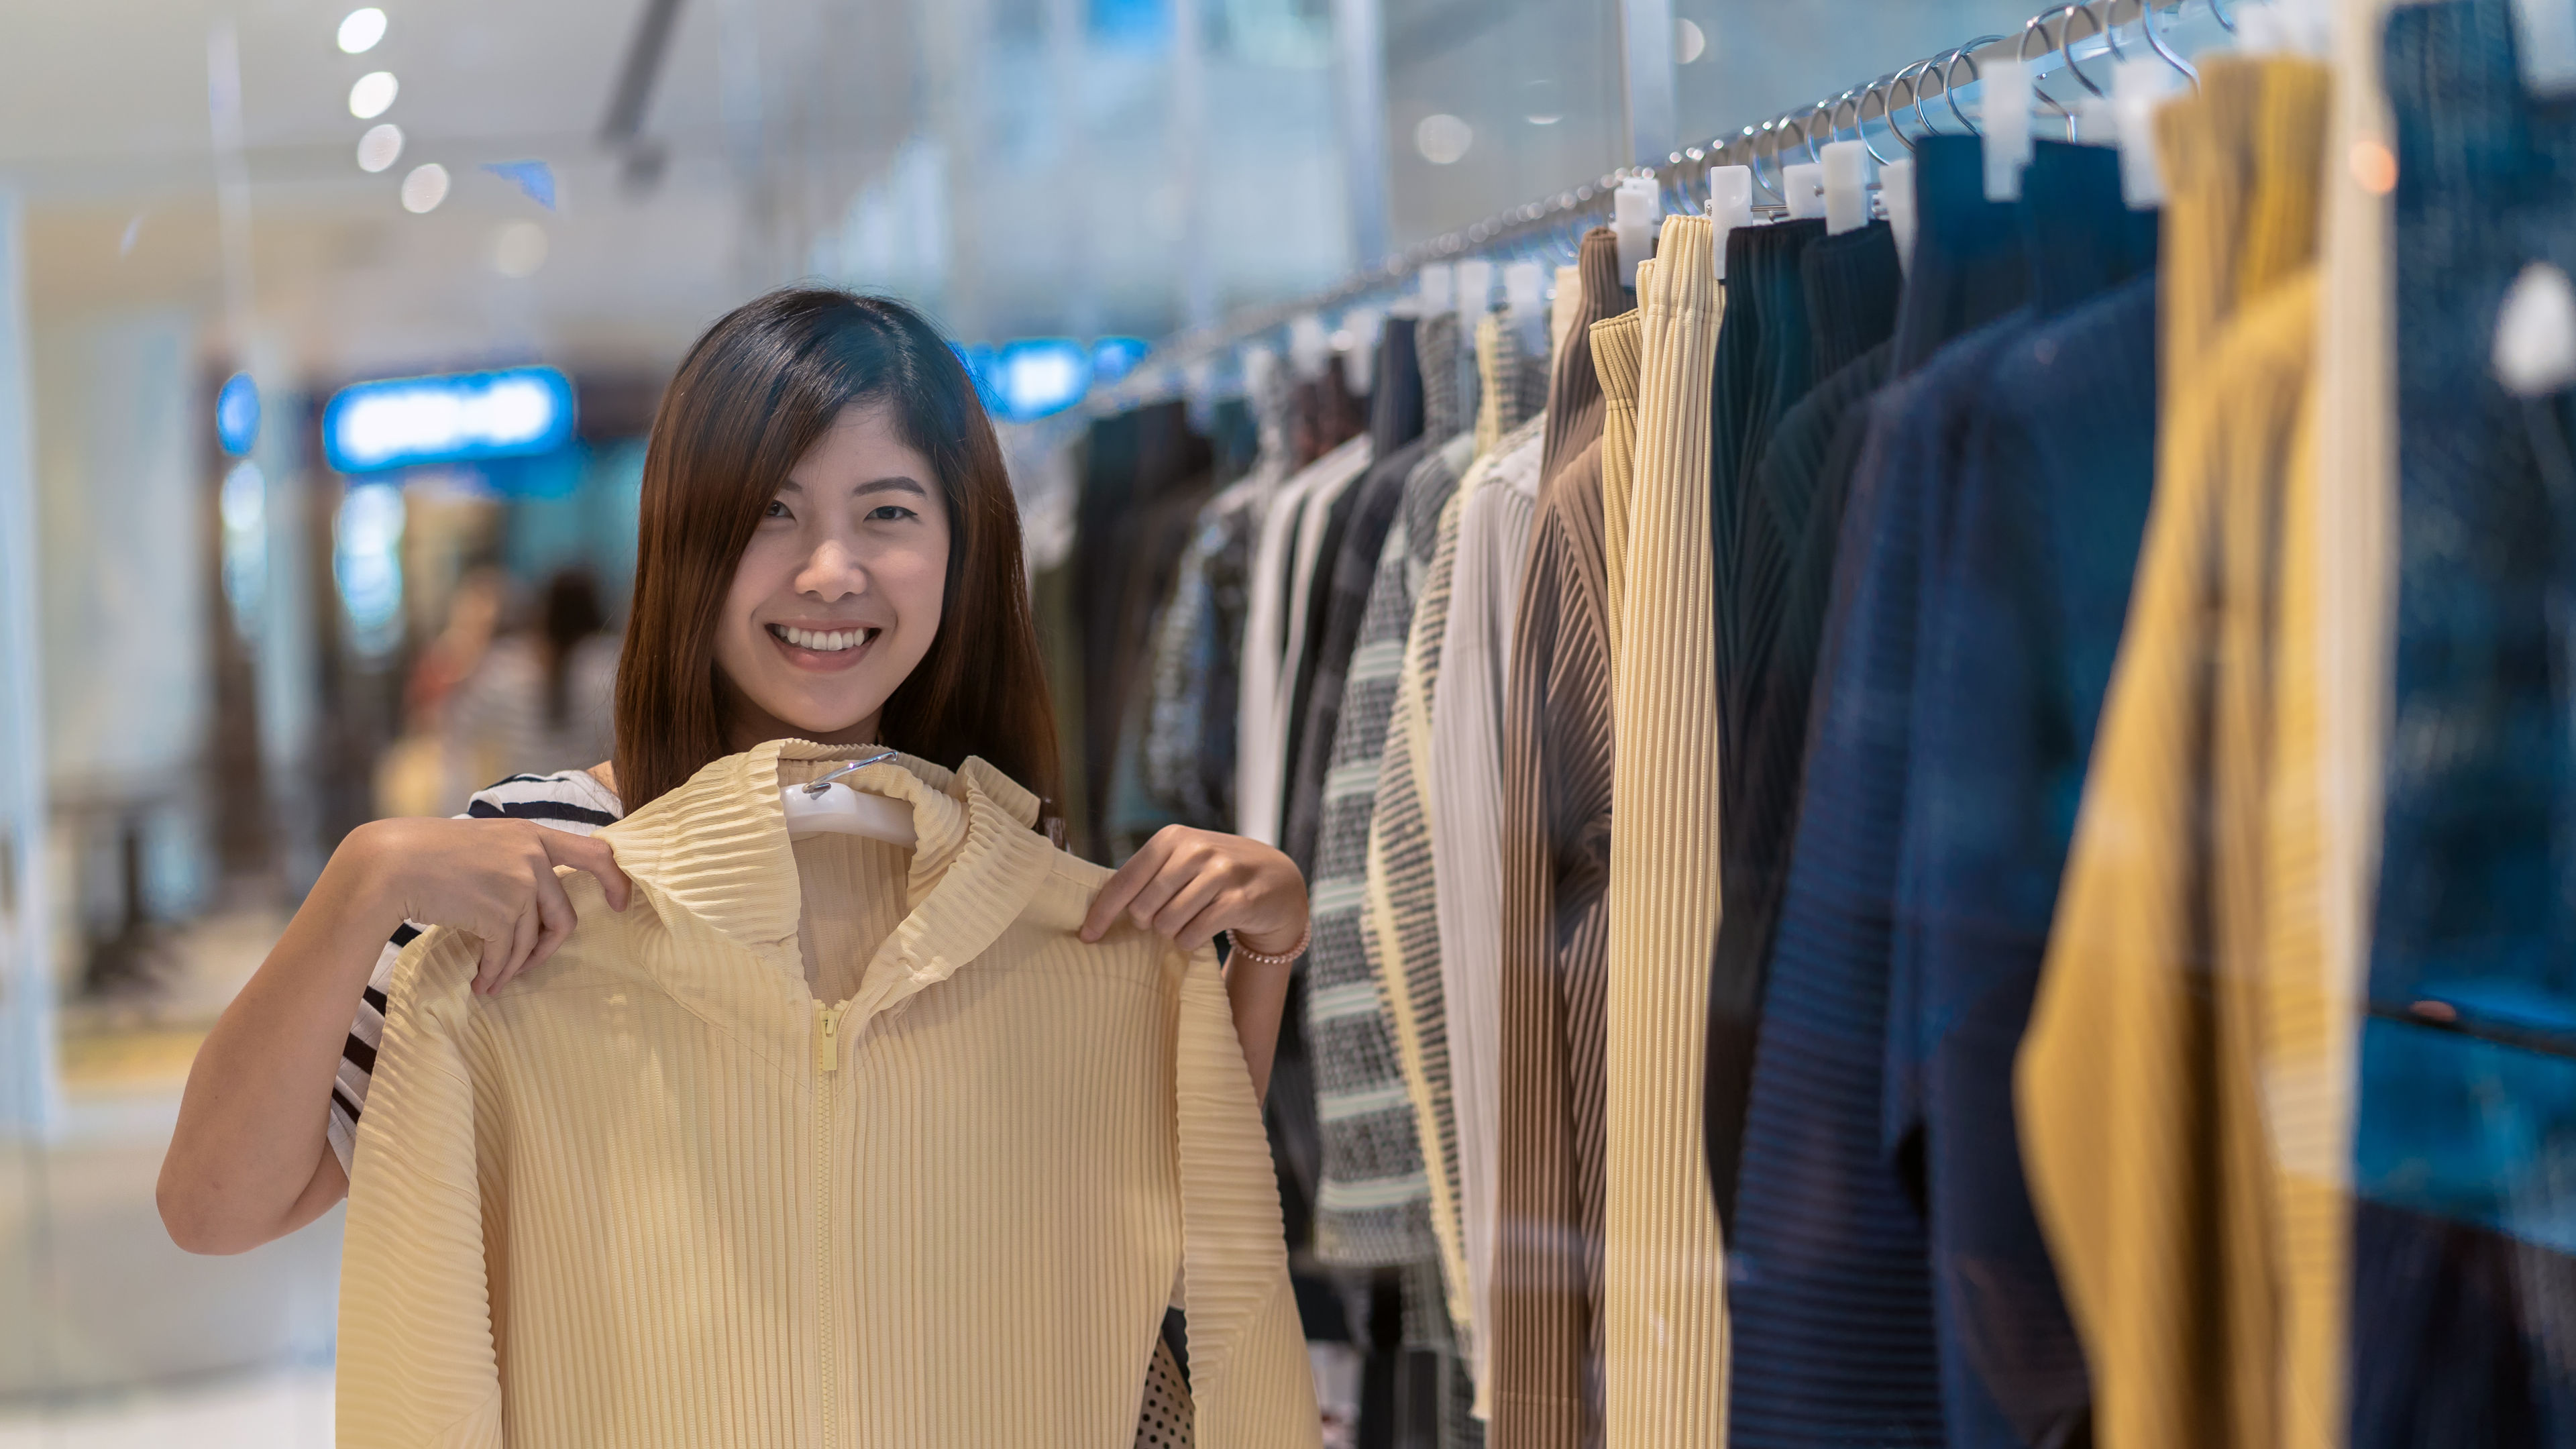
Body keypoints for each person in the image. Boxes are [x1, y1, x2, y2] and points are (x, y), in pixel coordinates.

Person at [156, 291, 1311, 1402]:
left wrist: (1260, 957)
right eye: (771, 511)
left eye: (890, 513)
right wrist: (365, 883)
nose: (830, 571)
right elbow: (216, 1207)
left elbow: (1139, 1245)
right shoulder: (538, 863)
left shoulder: (999, 865)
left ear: (963, 552)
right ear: (687, 543)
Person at [441, 567, 619, 803]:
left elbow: (459, 734)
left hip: (519, 808)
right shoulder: (611, 665)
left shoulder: (502, 670)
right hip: (594, 808)